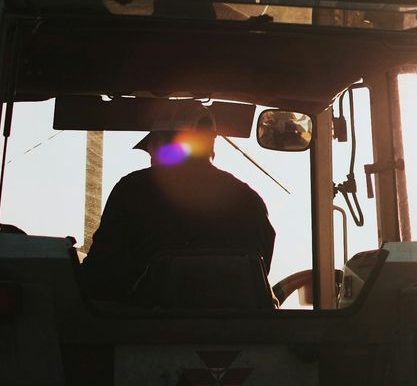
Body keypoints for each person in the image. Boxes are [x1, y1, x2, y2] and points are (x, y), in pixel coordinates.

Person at [81, 104, 275, 302]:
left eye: (152, 149)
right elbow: (259, 274)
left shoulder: (132, 190)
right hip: (240, 330)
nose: (151, 159)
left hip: (142, 328)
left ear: (164, 143)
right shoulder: (249, 200)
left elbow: (100, 274)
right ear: (210, 144)